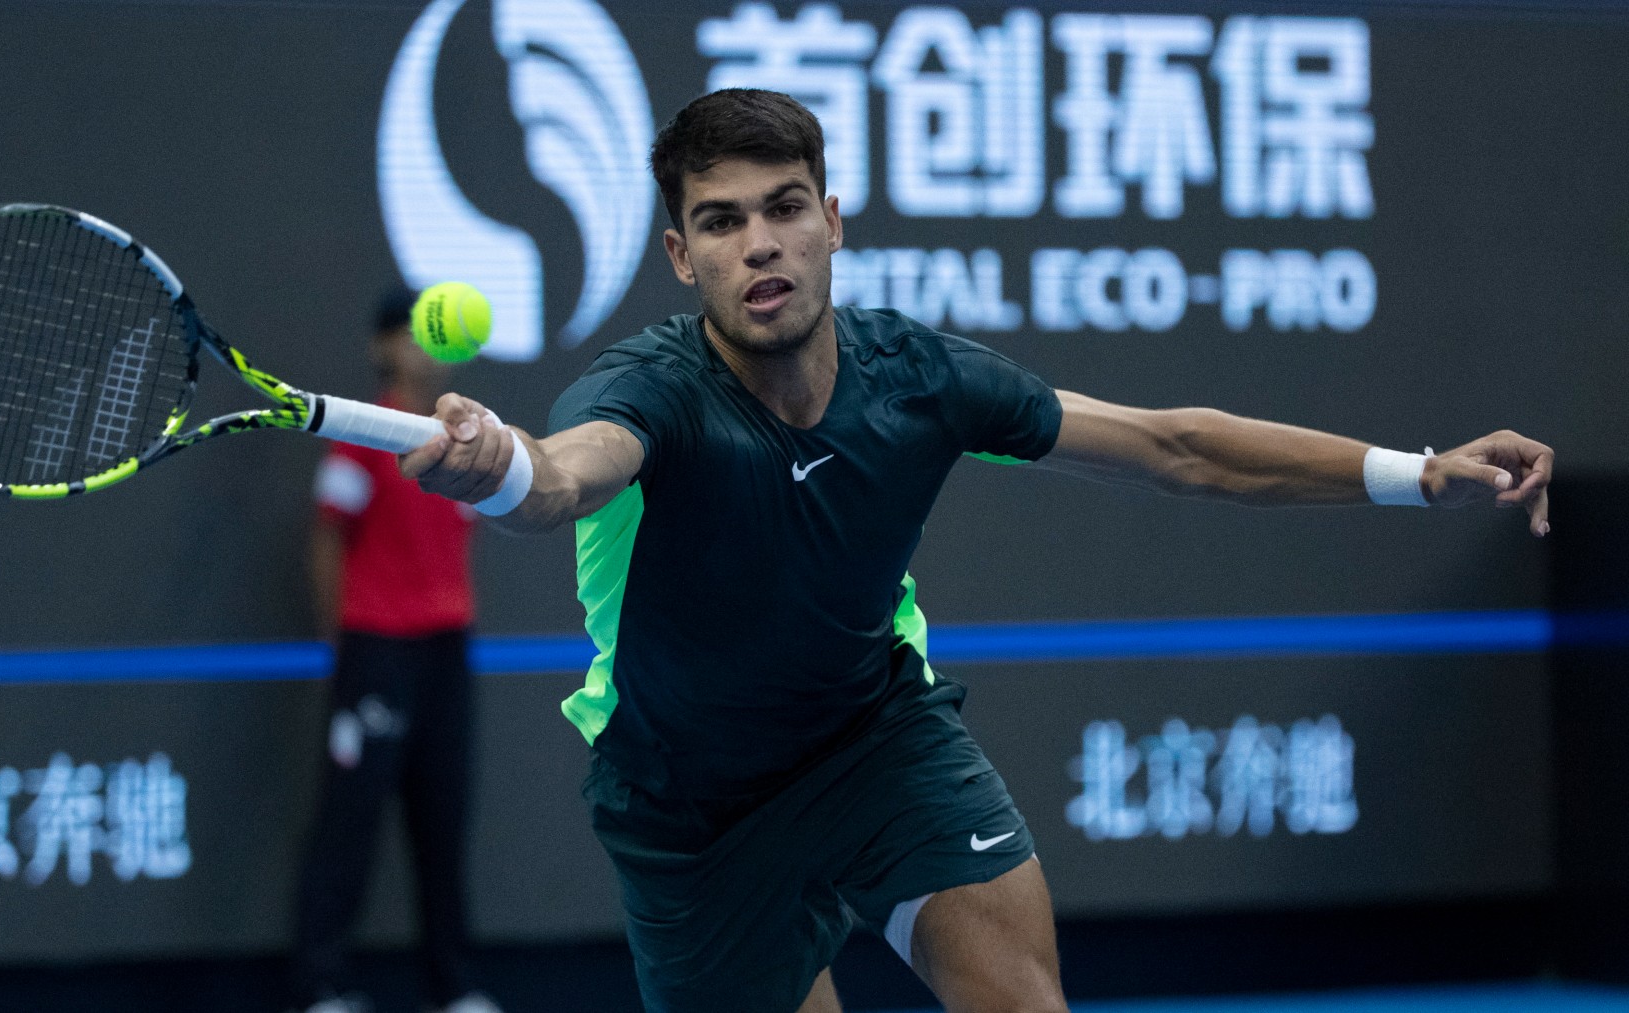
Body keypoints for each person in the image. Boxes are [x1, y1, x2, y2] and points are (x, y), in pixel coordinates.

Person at [398, 90, 1555, 1013]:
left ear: (833, 221)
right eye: (721, 220)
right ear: (679, 256)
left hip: (874, 739)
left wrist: (1419, 472)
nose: (761, 243)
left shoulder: (919, 378)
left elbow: (1174, 446)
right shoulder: (648, 388)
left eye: (785, 207)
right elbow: (562, 475)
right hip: (688, 802)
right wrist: (495, 466)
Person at [289, 290, 501, 1013]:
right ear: (386, 347)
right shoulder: (361, 434)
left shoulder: (466, 441)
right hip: (376, 649)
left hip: (447, 650)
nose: (428, 347)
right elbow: (327, 532)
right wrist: (343, 643)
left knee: (444, 820)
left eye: (437, 335)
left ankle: (457, 988)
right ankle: (321, 986)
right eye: (416, 333)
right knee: (348, 820)